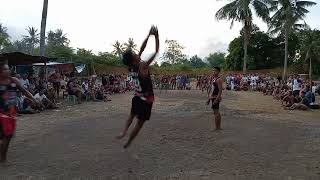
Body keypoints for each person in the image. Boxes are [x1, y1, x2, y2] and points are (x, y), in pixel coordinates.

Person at [116, 25, 159, 149]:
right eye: (135, 54)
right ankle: (128, 141)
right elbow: (156, 52)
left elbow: (141, 48)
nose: (137, 53)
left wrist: (148, 36)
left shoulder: (131, 66)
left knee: (131, 116)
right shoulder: (142, 66)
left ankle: (123, 132)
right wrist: (156, 36)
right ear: (134, 59)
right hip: (146, 99)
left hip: (137, 97)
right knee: (139, 124)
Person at [0, 63, 38, 164]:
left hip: (10, 113)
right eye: (4, 70)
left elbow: (24, 91)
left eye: (8, 69)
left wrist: (33, 98)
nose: (7, 71)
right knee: (6, 136)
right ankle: (3, 160)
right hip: (2, 113)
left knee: (6, 136)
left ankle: (2, 157)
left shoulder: (14, 81)